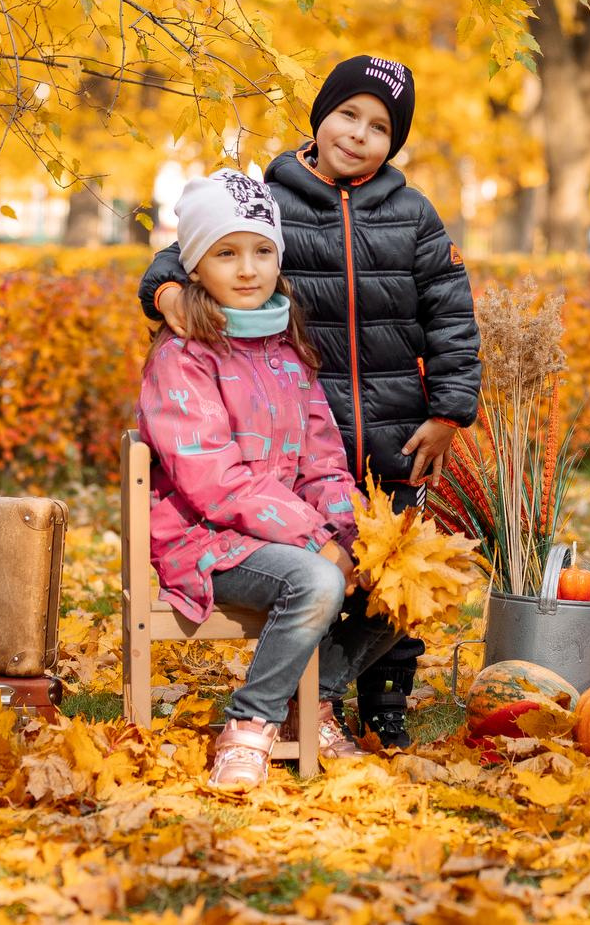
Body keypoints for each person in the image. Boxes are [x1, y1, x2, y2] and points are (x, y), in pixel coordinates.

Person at [139, 56, 481, 747]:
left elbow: (451, 312)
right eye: (347, 114)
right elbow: (197, 250)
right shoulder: (273, 197)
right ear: (319, 116)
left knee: (400, 577)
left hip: (391, 432)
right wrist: (165, 290)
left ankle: (379, 704)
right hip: (292, 426)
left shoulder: (413, 213)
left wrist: (448, 411)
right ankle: (300, 705)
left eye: (379, 126)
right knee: (328, 570)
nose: (358, 134)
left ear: (394, 141)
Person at [138, 170, 402, 790]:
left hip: (285, 534)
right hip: (207, 540)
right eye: (226, 253)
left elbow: (322, 464)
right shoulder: (183, 357)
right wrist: (318, 543)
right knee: (315, 578)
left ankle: (309, 704)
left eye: (262, 251)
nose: (248, 269)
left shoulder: (287, 351)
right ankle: (250, 723)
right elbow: (215, 482)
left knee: (399, 581)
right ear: (195, 266)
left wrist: (354, 530)